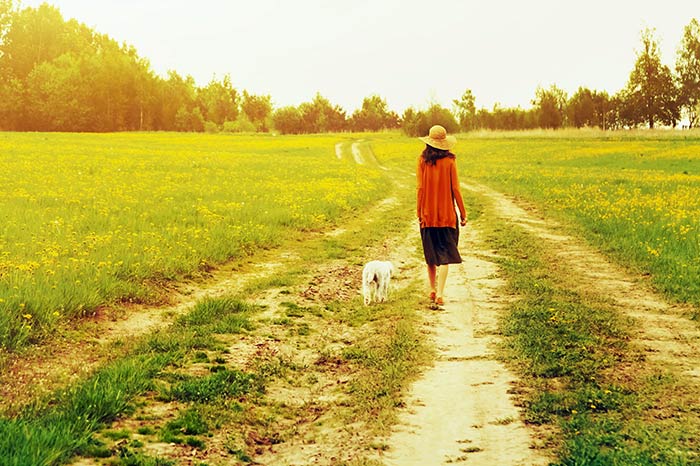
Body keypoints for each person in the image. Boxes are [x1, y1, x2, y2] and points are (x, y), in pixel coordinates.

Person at [416, 125, 467, 308]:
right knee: (444, 256)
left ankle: (431, 288)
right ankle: (440, 292)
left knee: (430, 255)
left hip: (427, 216)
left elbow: (420, 189)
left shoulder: (422, 160)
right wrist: (462, 212)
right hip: (447, 216)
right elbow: (456, 189)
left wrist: (419, 211)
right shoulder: (450, 161)